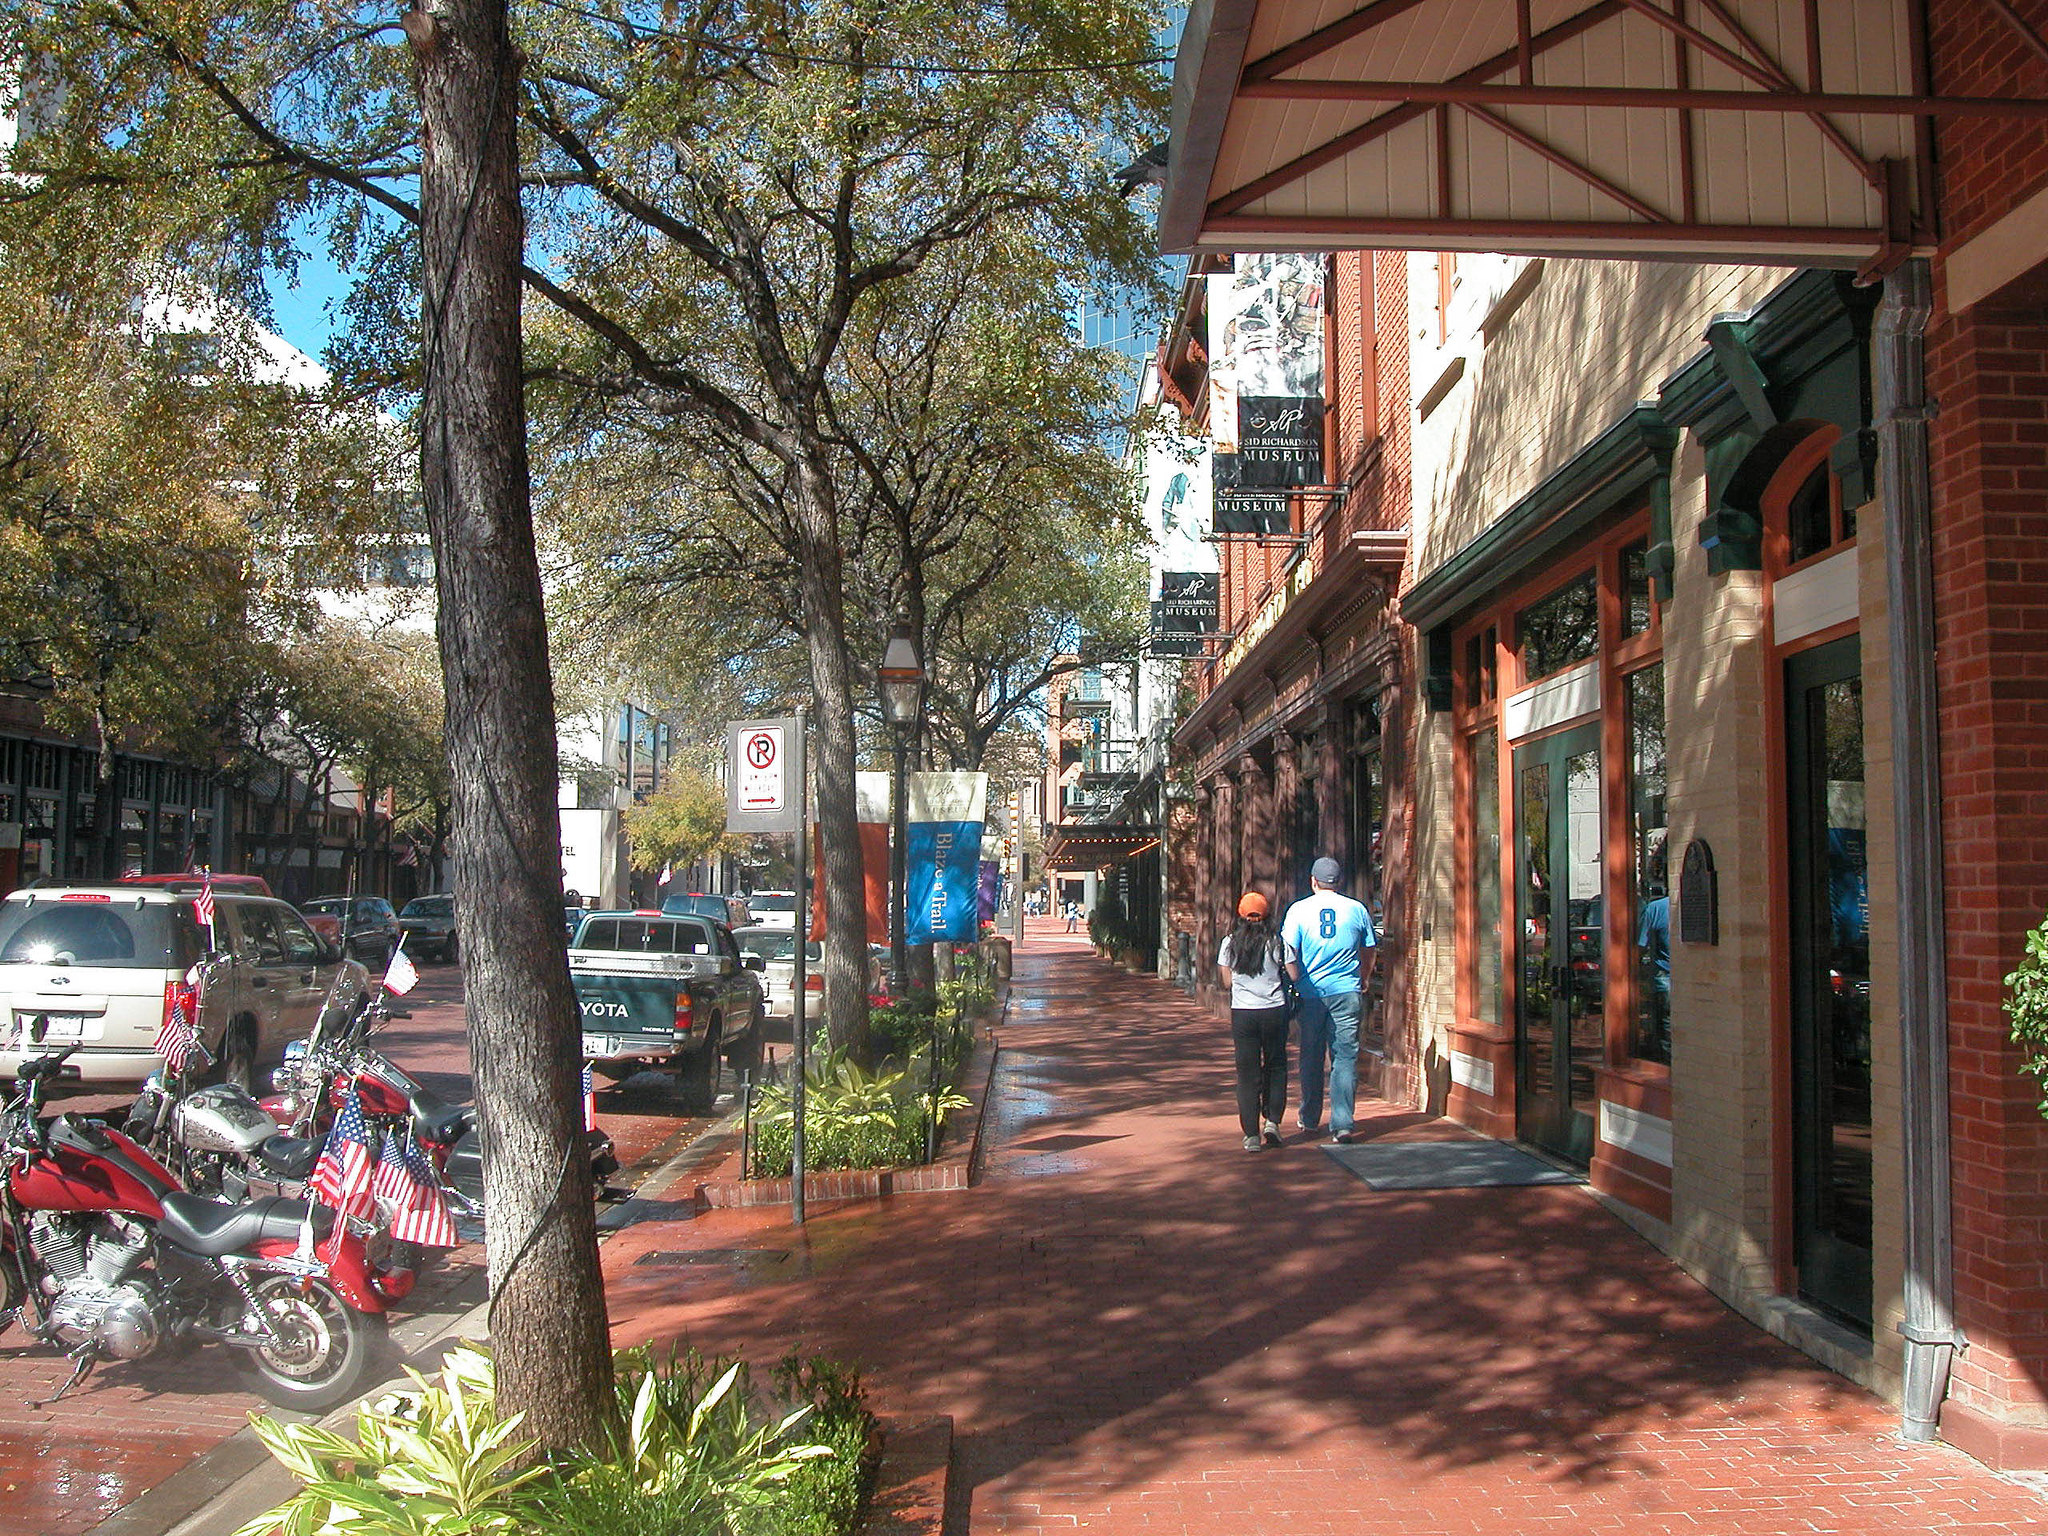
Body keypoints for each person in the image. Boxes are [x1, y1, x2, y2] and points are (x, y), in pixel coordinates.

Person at [1282, 856, 1378, 1144]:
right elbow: (1369, 948)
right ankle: (1343, 1123)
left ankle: (1310, 1117)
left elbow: (1288, 951)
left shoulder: (1299, 910)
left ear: (1313, 881)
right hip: (1347, 990)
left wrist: (1297, 980)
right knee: (1345, 1057)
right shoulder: (1356, 909)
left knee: (1311, 1055)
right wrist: (1364, 977)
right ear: (1339, 882)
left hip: (1312, 993)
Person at [1218, 891, 1289, 1153]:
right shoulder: (1277, 942)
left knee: (1247, 1073)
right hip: (1274, 1010)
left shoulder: (1229, 943)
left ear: (1240, 915)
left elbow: (1227, 981)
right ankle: (1272, 1121)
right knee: (1276, 1065)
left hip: (1243, 1013)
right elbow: (1293, 973)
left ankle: (1251, 1134)